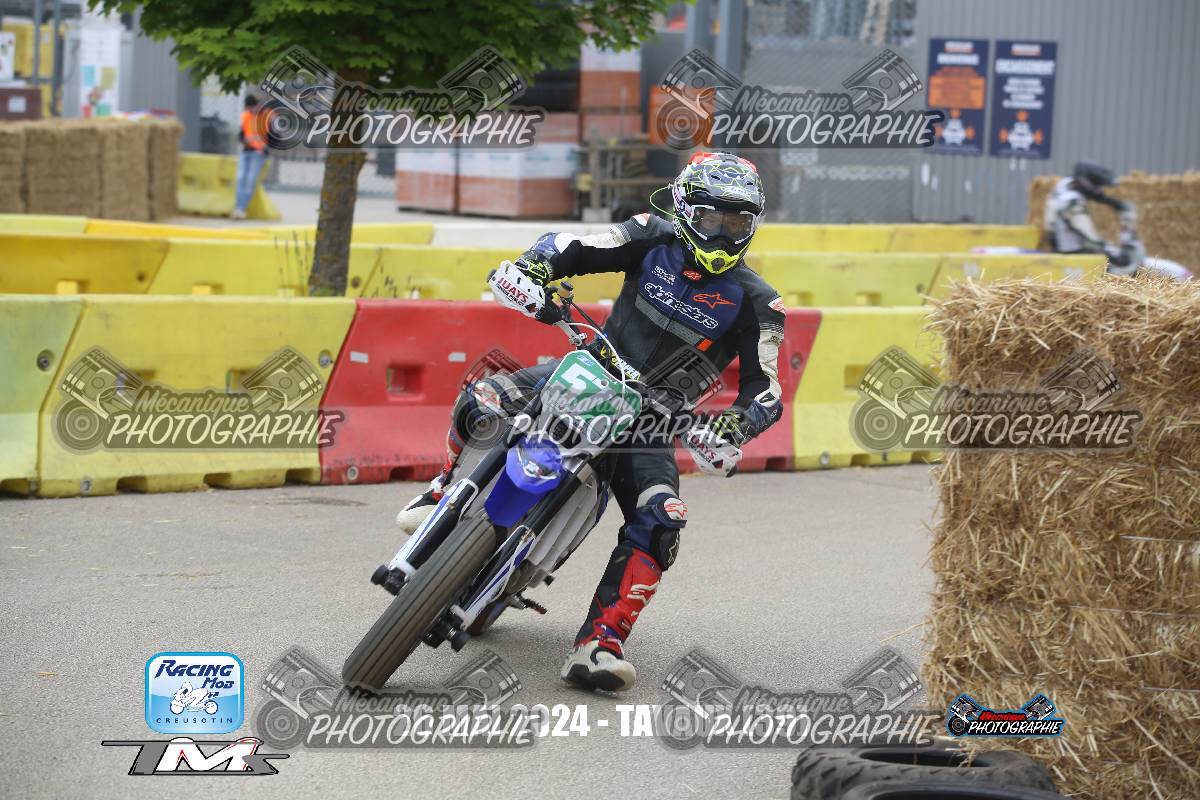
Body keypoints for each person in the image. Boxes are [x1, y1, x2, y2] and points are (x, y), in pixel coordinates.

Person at [396, 152, 787, 691]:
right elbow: (571, 245)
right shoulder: (648, 235)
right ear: (682, 208)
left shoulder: (760, 302)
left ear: (753, 225)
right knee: (484, 399)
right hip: (588, 372)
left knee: (663, 518)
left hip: (652, 423)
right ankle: (442, 489)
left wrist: (731, 428)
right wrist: (533, 269)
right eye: (710, 218)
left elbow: (766, 390)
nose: (722, 234)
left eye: (736, 223)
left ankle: (600, 643)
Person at [1043, 160, 1138, 276]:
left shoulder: (1062, 189)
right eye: (1097, 186)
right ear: (1087, 183)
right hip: (1075, 255)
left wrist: (1109, 201)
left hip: (1064, 250)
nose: (1099, 190)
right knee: (1128, 267)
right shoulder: (1072, 201)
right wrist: (1116, 254)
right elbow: (1090, 239)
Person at [232, 94, 269, 220]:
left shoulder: (265, 116)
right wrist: (244, 142)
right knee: (240, 179)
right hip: (246, 152)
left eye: (251, 107)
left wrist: (266, 149)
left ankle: (241, 209)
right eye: (248, 108)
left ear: (257, 106)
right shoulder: (246, 116)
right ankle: (238, 208)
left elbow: (274, 136)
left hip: (258, 154)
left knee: (250, 181)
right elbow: (241, 135)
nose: (250, 110)